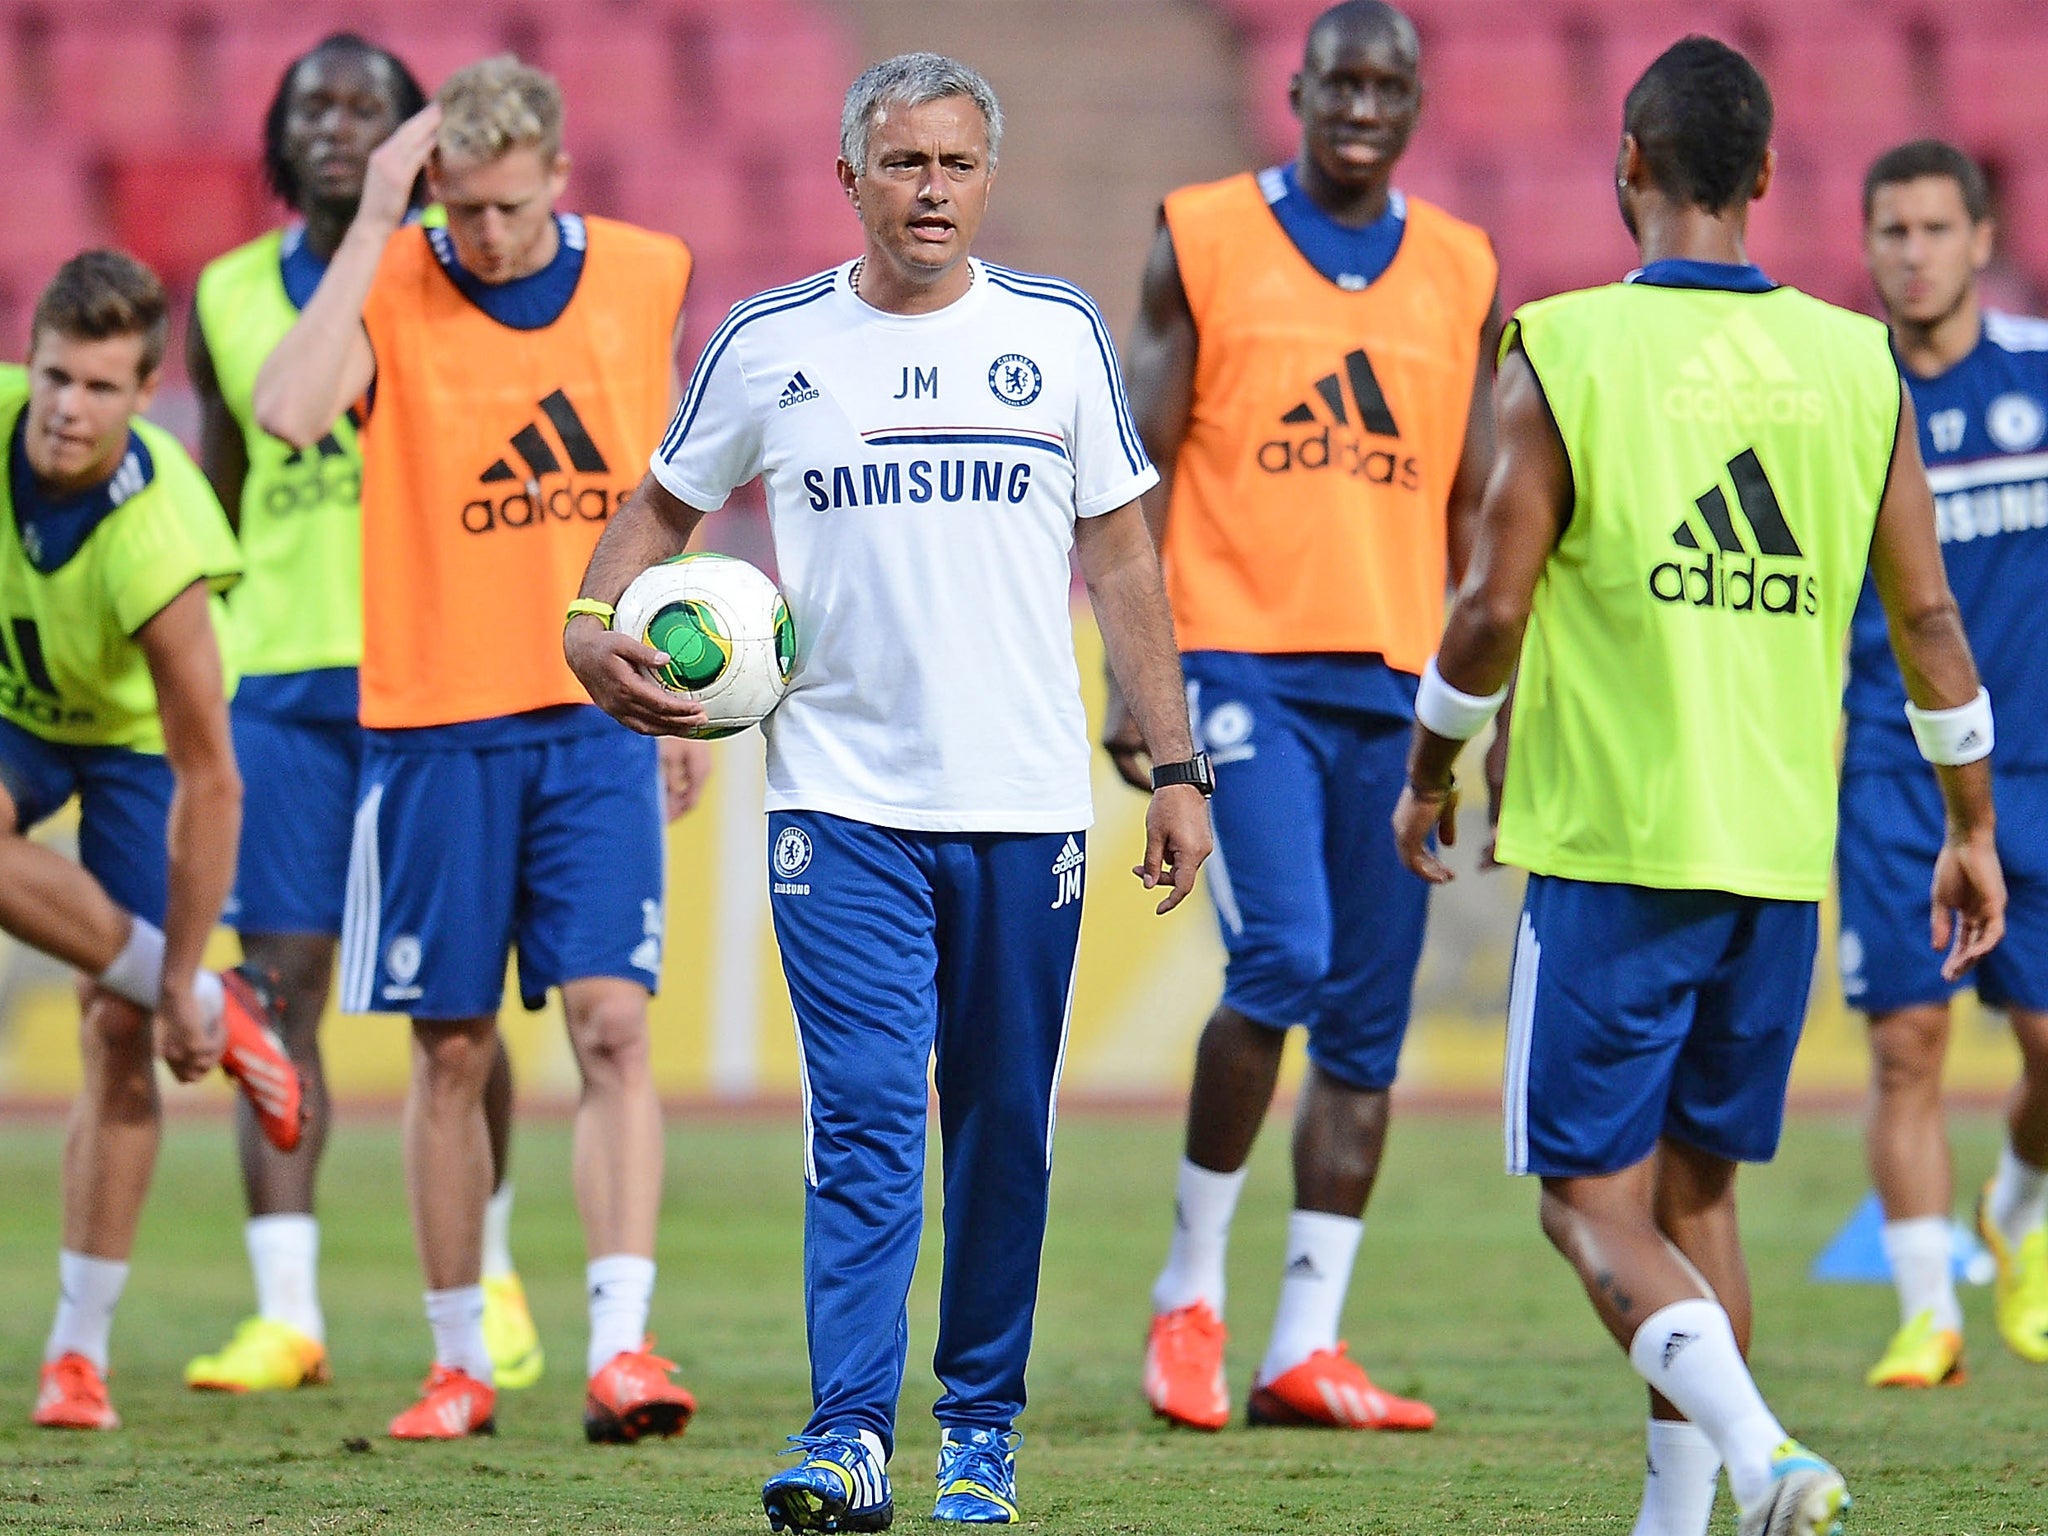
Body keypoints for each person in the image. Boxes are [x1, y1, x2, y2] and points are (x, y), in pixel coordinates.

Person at [567, 51, 1211, 1532]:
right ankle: (849, 1432)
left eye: (958, 164)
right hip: (838, 804)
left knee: (1000, 1123)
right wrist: (589, 628)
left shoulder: (1054, 336)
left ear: (988, 178)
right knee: (864, 1115)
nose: (933, 191)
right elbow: (664, 504)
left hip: (1025, 803)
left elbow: (1120, 555)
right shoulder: (768, 342)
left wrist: (1172, 766)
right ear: (848, 178)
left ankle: (977, 1429)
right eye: (906, 164)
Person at [1392, 38, 2004, 1536]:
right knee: (1699, 1198)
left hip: (1617, 851)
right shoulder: (1857, 362)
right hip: (1777, 859)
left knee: (1586, 1204)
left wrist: (1430, 769)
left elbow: (1488, 605)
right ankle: (1681, 1525)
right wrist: (1971, 825)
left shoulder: (1569, 346)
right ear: (1771, 180)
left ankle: (1766, 1455)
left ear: (1628, 168)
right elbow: (1929, 622)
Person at [253, 55, 705, 1443]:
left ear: (559, 177)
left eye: (509, 208)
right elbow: (286, 409)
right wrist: (384, 206)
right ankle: (459, 1359)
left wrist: (689, 681)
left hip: (596, 713)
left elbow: (676, 486)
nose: (488, 238)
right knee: (449, 1050)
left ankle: (623, 1351)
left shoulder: (647, 274)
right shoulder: (394, 274)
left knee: (613, 1025)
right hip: (433, 719)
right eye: (463, 209)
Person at [1113, 0, 1496, 1433]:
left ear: (1415, 103)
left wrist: (1473, 709)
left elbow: (1471, 507)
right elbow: (1134, 472)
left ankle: (1305, 1345)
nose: (1362, 102)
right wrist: (1133, 688)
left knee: (1365, 1027)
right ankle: (1188, 1297)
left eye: (1390, 83)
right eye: (1341, 78)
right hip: (1239, 666)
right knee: (1283, 951)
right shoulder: (1204, 232)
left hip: (1395, 684)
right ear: (1295, 86)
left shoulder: (1462, 267)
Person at [183, 30, 542, 1401]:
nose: (339, 127)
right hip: (278, 685)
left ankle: (492, 1272)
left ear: (419, 140)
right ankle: (288, 1310)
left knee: (453, 1009)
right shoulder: (223, 294)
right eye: (313, 108)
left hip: (433, 675)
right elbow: (222, 498)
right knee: (273, 1000)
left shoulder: (458, 281)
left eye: (369, 108)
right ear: (281, 135)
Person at [15, 251, 302, 1430]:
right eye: (52, 377)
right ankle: (227, 1015)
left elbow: (210, 778)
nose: (67, 409)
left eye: (98, 387)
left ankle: (76, 1354)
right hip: (13, 710)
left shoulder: (162, 538)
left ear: (143, 397)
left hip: (135, 749)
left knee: (121, 1025)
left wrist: (178, 975)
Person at [1844, 139, 2048, 1386]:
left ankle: (2012, 1214)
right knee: (1905, 1045)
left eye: (1933, 229)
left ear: (1980, 239)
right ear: (1863, 246)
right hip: (1890, 773)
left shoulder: (2040, 375)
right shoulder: (1842, 391)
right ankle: (1925, 1310)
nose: (1911, 253)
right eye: (1890, 231)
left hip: (2034, 765)